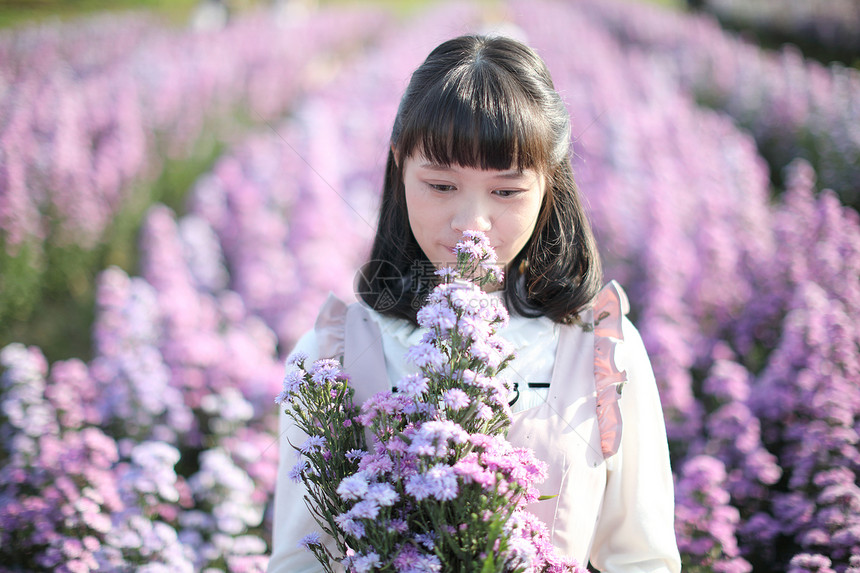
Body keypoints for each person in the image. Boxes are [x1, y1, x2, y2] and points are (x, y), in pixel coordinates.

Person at [268, 34, 681, 573]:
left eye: (506, 192)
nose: (471, 223)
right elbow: (301, 563)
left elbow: (642, 559)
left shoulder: (603, 351)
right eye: (441, 186)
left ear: (549, 186)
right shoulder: (330, 356)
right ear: (399, 167)